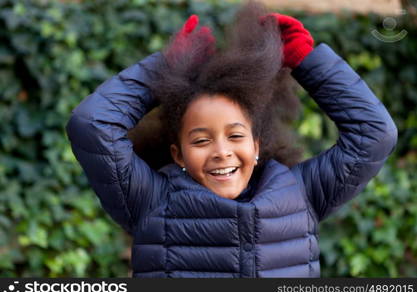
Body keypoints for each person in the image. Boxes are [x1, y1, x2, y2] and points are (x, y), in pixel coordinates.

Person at [66, 1, 397, 277]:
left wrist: (305, 61)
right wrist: (163, 68)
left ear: (256, 145)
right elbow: (91, 126)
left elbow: (374, 134)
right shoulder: (150, 200)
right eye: (200, 141)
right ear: (178, 154)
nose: (221, 152)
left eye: (235, 135)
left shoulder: (301, 193)